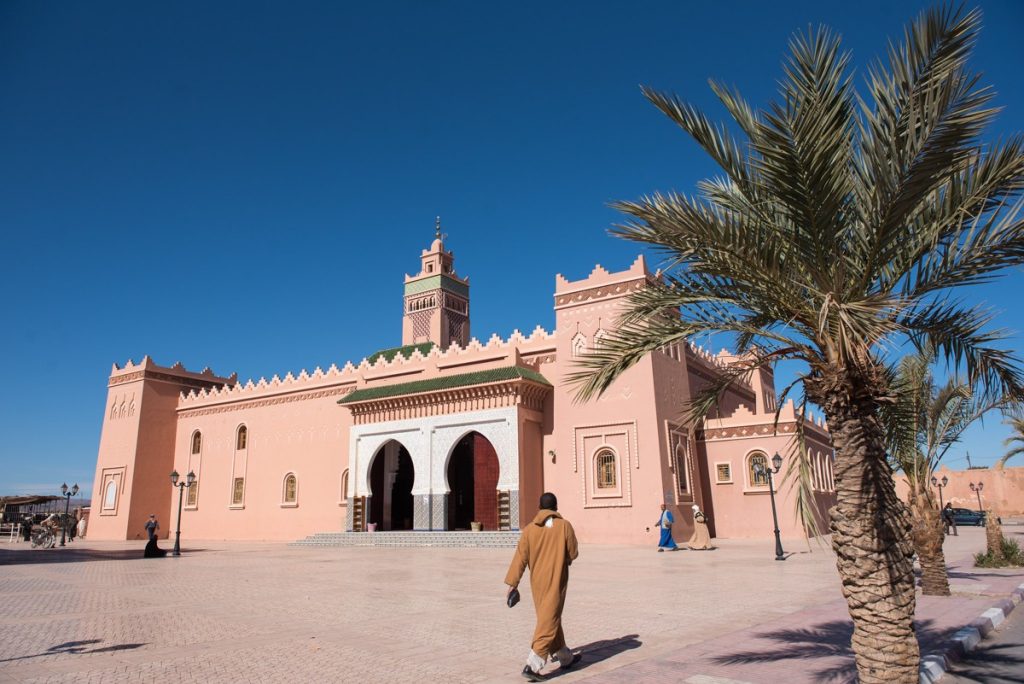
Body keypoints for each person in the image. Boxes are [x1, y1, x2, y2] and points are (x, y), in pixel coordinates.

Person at [505, 492, 581, 682]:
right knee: (548, 620)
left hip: (537, 582)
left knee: (550, 616)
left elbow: (520, 559)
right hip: (556, 580)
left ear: (539, 508)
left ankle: (565, 657)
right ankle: (533, 664)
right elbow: (573, 553)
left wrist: (512, 584)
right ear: (556, 507)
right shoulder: (564, 526)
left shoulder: (529, 530)